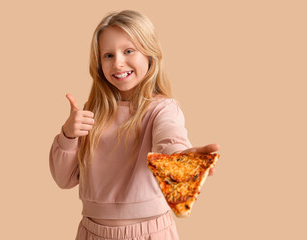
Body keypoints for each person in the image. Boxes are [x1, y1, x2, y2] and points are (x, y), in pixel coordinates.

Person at [49, 10, 219, 240]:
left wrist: (180, 159)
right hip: (91, 232)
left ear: (150, 54)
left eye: (128, 51)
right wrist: (68, 135)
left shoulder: (162, 109)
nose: (118, 63)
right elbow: (63, 179)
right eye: (108, 55)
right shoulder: (91, 110)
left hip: (150, 233)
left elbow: (170, 140)